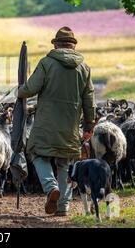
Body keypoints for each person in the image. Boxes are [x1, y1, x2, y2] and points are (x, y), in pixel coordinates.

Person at [17, 26, 95, 216]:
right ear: (73, 46)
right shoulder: (84, 68)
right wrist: (89, 125)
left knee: (36, 153)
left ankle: (51, 188)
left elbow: (31, 88)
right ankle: (63, 206)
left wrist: (19, 90)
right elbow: (89, 100)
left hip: (45, 124)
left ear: (56, 44)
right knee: (66, 162)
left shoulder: (47, 63)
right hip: (70, 126)